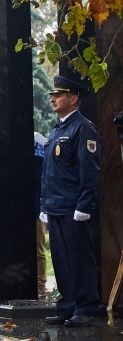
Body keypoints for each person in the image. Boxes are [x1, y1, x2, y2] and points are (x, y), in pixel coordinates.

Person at [40, 75, 101, 327]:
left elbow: (90, 170)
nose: (52, 98)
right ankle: (67, 306)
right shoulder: (58, 129)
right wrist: (44, 205)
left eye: (59, 95)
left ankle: (86, 308)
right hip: (56, 206)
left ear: (73, 98)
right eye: (53, 95)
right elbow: (49, 172)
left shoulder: (83, 128)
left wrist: (84, 205)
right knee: (62, 260)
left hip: (74, 208)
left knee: (79, 259)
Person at [34, 133, 47, 300]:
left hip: (37, 208)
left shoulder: (40, 154)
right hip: (32, 206)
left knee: (38, 248)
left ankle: (40, 285)